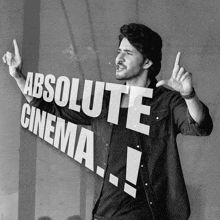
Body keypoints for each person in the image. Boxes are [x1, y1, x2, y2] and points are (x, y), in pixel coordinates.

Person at [2, 23, 213, 220]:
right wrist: (18, 76)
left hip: (147, 214)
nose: (118, 58)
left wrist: (188, 94)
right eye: (119, 51)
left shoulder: (167, 101)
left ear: (147, 62)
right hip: (105, 213)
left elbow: (199, 125)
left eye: (128, 53)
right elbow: (51, 107)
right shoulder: (104, 101)